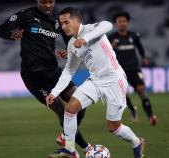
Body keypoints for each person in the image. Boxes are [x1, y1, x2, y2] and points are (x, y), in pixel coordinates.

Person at [0, 0, 90, 156]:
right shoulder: (25, 15)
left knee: (81, 102)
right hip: (33, 76)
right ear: (37, 1)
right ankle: (82, 149)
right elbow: (0, 30)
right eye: (44, 2)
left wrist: (68, 51)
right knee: (62, 111)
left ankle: (66, 137)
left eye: (50, 2)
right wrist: (11, 35)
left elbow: (69, 40)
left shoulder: (58, 19)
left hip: (54, 72)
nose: (47, 5)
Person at [46, 7, 145, 158]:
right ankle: (70, 149)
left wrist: (85, 39)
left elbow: (108, 25)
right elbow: (69, 71)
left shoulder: (92, 29)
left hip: (114, 80)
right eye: (61, 23)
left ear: (77, 21)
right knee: (70, 109)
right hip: (95, 81)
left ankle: (137, 143)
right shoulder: (72, 44)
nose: (64, 26)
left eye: (67, 22)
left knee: (114, 128)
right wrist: (54, 92)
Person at [108, 11, 157, 125]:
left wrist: (144, 57)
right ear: (115, 23)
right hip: (120, 70)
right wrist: (112, 47)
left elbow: (140, 47)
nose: (122, 23)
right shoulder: (112, 38)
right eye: (119, 21)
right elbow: (107, 52)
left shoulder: (134, 35)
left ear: (127, 22)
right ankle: (132, 109)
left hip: (134, 68)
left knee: (141, 89)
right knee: (123, 94)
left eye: (124, 21)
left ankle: (151, 116)